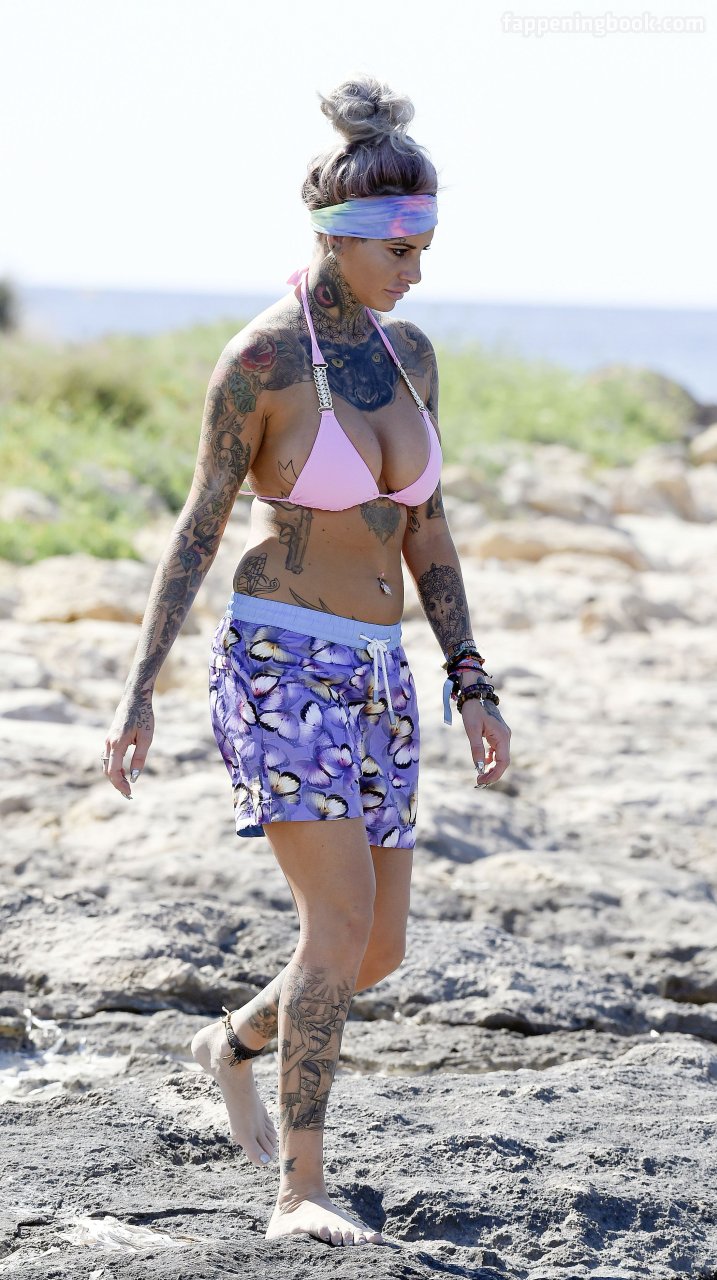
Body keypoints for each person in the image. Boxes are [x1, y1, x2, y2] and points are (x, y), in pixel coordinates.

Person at [102, 74, 511, 1248]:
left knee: (377, 947)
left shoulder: (412, 355)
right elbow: (197, 526)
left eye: (426, 248)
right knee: (333, 925)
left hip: (381, 672)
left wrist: (471, 676)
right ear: (338, 235)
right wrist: (138, 691)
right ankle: (300, 1189)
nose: (416, 270)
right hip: (280, 664)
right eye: (400, 249)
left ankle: (229, 1042)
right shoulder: (263, 361)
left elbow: (428, 528)